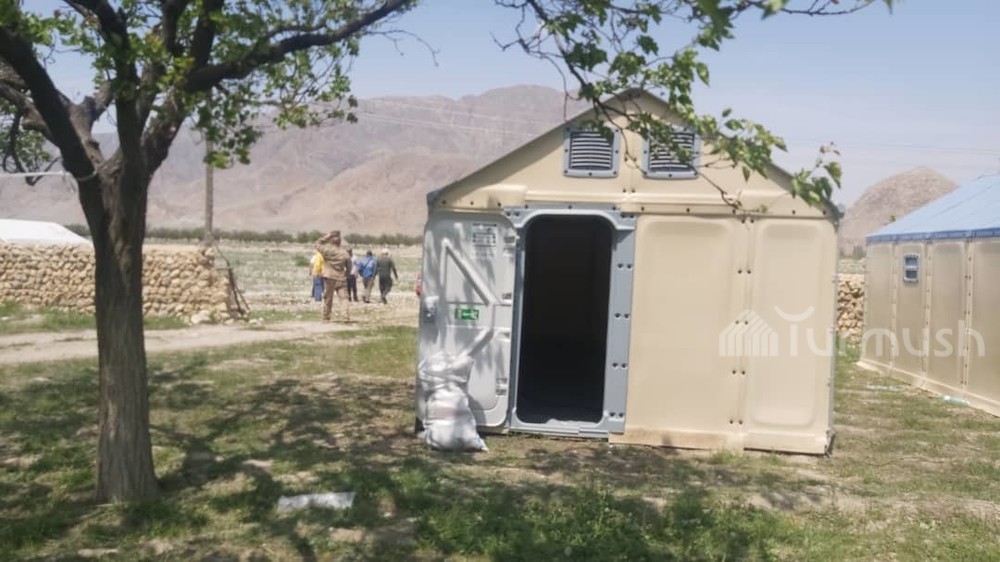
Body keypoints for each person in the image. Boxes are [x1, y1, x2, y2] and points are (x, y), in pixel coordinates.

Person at [315, 230, 353, 322]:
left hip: (329, 277)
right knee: (344, 298)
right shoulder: (344, 253)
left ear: (331, 241)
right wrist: (347, 274)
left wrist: (327, 236)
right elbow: (349, 266)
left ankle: (326, 317)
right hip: (341, 278)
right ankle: (345, 316)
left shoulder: (327, 250)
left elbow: (317, 244)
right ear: (339, 242)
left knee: (328, 298)